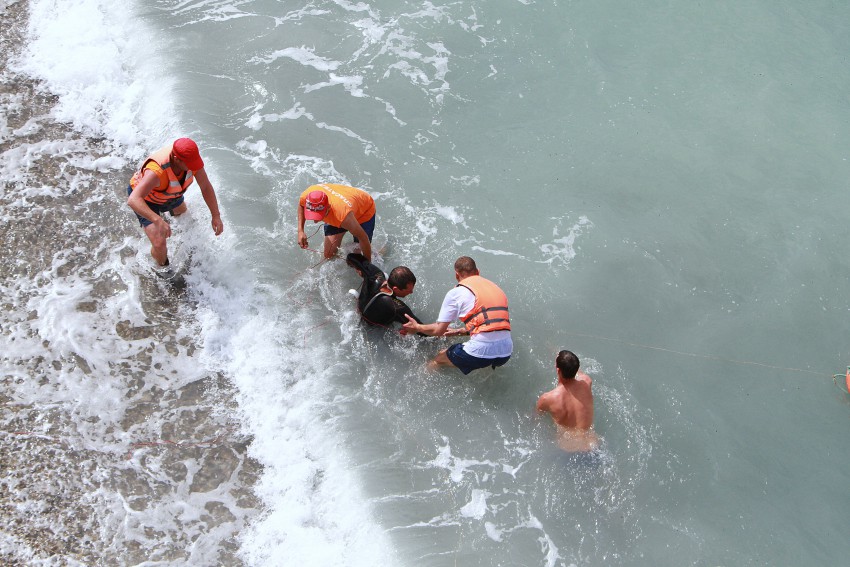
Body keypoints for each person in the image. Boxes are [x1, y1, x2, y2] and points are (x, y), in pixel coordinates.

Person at [401, 256, 512, 374]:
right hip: (506, 352)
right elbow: (491, 324)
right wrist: (460, 331)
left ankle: (422, 380)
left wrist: (417, 327)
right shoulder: (496, 288)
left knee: (438, 359)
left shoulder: (456, 293)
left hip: (479, 352)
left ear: (457, 275)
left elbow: (438, 330)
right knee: (484, 356)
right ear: (478, 272)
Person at [126, 138, 224, 269]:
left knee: (182, 213)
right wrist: (158, 220)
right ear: (177, 159)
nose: (194, 167)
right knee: (159, 242)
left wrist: (216, 215)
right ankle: (162, 267)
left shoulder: (191, 160)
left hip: (171, 194)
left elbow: (205, 186)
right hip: (146, 200)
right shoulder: (156, 171)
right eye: (190, 164)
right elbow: (133, 199)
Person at [536, 350, 599, 452]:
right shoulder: (587, 382)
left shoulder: (547, 399)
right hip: (592, 445)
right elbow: (577, 371)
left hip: (568, 449)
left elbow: (536, 419)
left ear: (558, 370)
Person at [297, 184, 376, 260]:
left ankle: (380, 252)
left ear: (328, 208)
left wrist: (367, 264)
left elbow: (363, 238)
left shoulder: (344, 217)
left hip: (364, 209)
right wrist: (301, 231)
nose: (315, 221)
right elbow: (301, 205)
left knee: (358, 253)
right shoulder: (307, 196)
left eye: (319, 216)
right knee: (329, 255)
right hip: (344, 203)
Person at [345, 253, 422, 328]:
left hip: (361, 307)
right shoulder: (397, 307)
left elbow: (353, 257)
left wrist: (356, 267)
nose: (411, 292)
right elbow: (420, 328)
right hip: (371, 327)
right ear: (395, 289)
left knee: (384, 275)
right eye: (409, 290)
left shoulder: (375, 274)